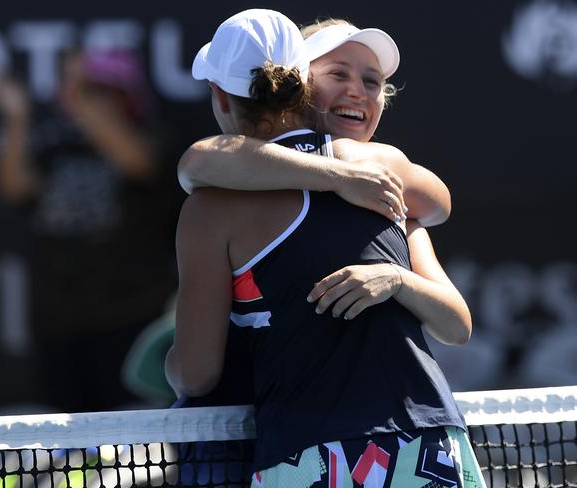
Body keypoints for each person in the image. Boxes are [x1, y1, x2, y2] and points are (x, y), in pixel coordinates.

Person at [166, 9, 484, 487]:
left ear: (218, 96)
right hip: (425, 447)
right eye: (338, 73)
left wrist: (396, 279)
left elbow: (193, 374)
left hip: (315, 451)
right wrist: (339, 175)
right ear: (302, 86)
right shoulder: (377, 170)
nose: (356, 90)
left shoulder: (381, 179)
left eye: (371, 80)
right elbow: (199, 161)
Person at [0, 48, 177, 413]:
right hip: (58, 326)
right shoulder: (56, 148)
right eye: (89, 91)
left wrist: (75, 91)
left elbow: (136, 163)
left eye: (104, 91)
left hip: (129, 322)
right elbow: (14, 187)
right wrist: (17, 119)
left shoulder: (153, 140)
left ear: (127, 98)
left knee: (129, 447)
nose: (92, 100)